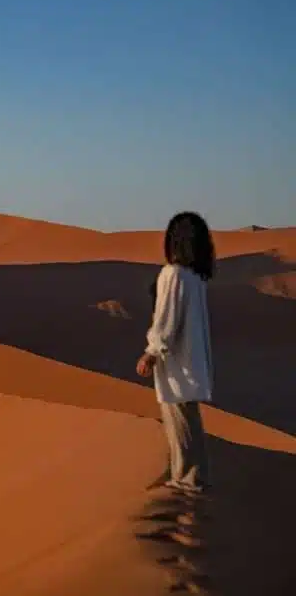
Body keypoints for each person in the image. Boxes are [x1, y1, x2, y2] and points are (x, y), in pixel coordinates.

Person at [136, 211, 215, 494]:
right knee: (187, 421)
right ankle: (192, 476)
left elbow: (167, 320)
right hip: (191, 364)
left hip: (176, 365)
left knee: (179, 422)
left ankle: (187, 480)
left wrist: (151, 352)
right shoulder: (195, 278)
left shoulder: (174, 274)